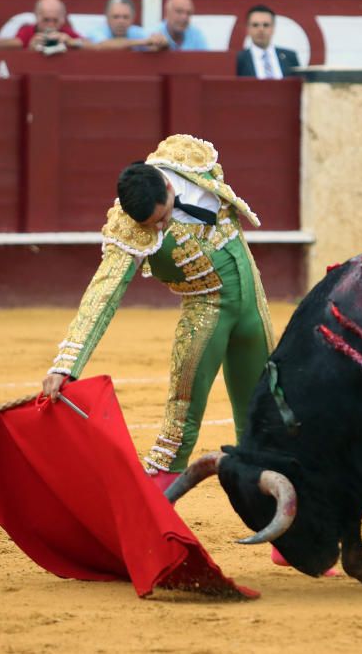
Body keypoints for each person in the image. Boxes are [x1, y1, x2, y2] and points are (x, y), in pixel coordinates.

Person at [42, 134, 274, 493]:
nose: (159, 229)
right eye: (152, 226)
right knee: (179, 426)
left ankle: (284, 535)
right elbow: (103, 293)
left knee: (263, 417)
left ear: (167, 185)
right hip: (206, 313)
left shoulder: (189, 159)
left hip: (253, 306)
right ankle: (150, 521)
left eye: (163, 217)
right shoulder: (129, 228)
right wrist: (66, 363)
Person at [236, 4, 300, 79]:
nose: (261, 29)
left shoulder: (290, 57)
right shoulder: (239, 59)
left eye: (266, 25)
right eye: (255, 25)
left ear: (273, 28)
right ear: (248, 29)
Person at [87, 0, 168, 52]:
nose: (121, 21)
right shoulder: (97, 32)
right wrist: (142, 42)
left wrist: (161, 42)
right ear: (107, 18)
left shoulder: (137, 32)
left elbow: (156, 45)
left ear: (133, 18)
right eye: (116, 17)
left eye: (126, 17)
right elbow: (103, 45)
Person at [16, 0, 91, 53]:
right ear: (36, 17)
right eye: (46, 20)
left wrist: (70, 41)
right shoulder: (27, 32)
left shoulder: (65, 32)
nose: (50, 25)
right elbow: (11, 48)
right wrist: (30, 49)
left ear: (62, 19)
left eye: (55, 20)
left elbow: (91, 46)